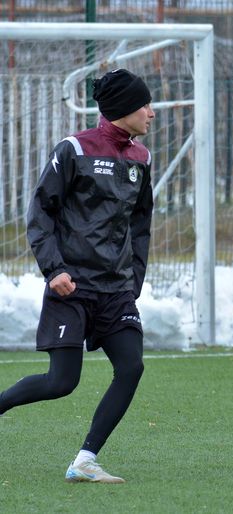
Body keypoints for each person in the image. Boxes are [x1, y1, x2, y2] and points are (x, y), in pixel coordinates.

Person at [0, 69, 155, 484]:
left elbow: (141, 225)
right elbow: (40, 213)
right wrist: (55, 270)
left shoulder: (142, 158)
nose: (151, 114)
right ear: (124, 108)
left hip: (117, 289)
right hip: (72, 285)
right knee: (61, 382)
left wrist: (133, 281)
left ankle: (85, 459)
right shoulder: (73, 149)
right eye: (145, 105)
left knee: (132, 366)